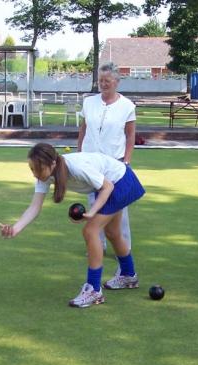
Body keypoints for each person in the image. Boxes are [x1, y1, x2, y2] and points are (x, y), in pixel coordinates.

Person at [0, 143, 145, 308]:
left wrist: (92, 212)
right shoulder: (45, 175)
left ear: (52, 164)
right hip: (110, 184)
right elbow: (35, 207)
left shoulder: (76, 167)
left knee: (90, 231)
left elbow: (108, 186)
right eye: (32, 169)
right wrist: (15, 229)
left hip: (120, 182)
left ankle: (94, 290)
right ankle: (128, 274)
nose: (35, 174)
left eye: (38, 169)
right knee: (112, 232)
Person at [78, 62, 136, 254]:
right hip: (90, 162)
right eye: (100, 80)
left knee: (119, 205)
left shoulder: (127, 106)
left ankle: (124, 245)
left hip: (114, 163)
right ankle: (97, 242)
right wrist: (79, 154)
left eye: (107, 80)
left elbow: (130, 136)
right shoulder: (89, 102)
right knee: (93, 202)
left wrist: (127, 160)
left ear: (117, 82)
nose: (103, 84)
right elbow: (83, 129)